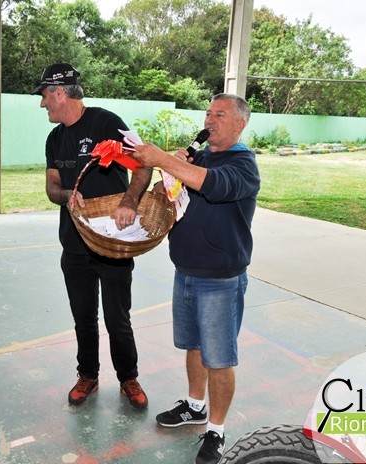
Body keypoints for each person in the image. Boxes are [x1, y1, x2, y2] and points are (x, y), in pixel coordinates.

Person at [132, 93, 261, 464]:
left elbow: (214, 185)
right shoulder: (199, 156)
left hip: (220, 277)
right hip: (186, 270)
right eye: (208, 113)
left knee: (219, 358)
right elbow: (170, 194)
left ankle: (216, 430)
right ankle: (194, 405)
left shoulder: (243, 163)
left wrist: (166, 160)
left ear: (240, 124)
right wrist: (168, 175)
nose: (210, 120)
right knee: (194, 346)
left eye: (220, 115)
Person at [32, 63, 153, 410]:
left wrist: (130, 201)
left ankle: (128, 378)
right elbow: (52, 187)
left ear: (59, 93)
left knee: (117, 318)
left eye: (44, 96)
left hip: (112, 244)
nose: (42, 104)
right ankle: (88, 375)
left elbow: (144, 164)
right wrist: (66, 194)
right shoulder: (55, 139)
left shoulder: (106, 123)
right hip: (73, 245)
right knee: (83, 317)